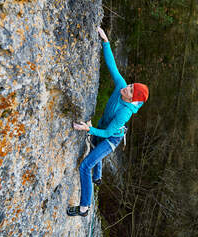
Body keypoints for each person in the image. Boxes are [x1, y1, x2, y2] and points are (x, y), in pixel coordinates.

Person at [67, 27, 149, 217]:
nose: (125, 87)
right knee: (94, 146)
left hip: (111, 138)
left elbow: (106, 134)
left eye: (129, 90)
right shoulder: (121, 86)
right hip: (103, 128)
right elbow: (112, 66)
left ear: (131, 99)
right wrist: (106, 42)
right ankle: (98, 177)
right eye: (129, 85)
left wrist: (88, 128)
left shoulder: (124, 114)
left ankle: (84, 208)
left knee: (85, 165)